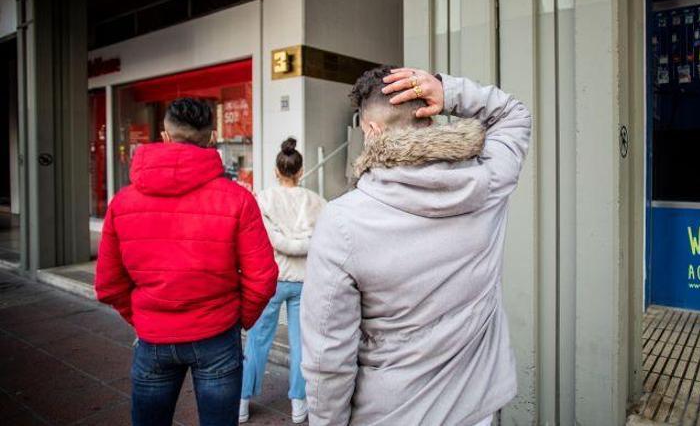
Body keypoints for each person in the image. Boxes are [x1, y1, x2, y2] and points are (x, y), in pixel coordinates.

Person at [301, 66, 531, 425]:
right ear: (431, 117)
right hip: (474, 408)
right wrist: (447, 90)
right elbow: (513, 113)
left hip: (392, 413)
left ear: (372, 130)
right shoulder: (486, 183)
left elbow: (328, 356)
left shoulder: (342, 221)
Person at [95, 97, 278, 426]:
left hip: (153, 336)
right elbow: (262, 277)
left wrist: (143, 318)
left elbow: (108, 283)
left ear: (164, 137)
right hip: (217, 334)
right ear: (211, 138)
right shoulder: (237, 199)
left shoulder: (122, 201)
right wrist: (238, 319)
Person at [239, 137, 326, 424]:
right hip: (304, 280)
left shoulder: (262, 198)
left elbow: (258, 239)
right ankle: (299, 403)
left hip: (271, 280)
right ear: (300, 171)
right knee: (301, 342)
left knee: (257, 341)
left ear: (277, 172)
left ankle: (242, 401)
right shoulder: (317, 202)